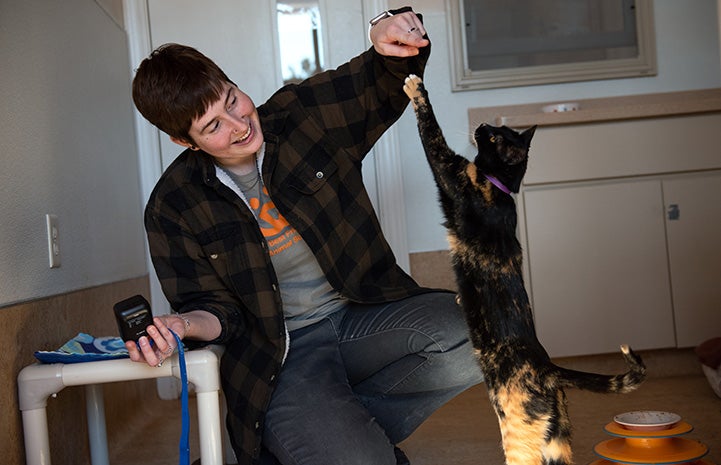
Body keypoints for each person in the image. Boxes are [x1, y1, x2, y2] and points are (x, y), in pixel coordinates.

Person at [127, 6, 483, 465]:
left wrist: (388, 29)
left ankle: (311, 439)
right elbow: (219, 313)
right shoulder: (172, 206)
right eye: (213, 125)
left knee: (487, 333)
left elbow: (379, 79)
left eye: (232, 99)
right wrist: (181, 325)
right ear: (185, 142)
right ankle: (335, 437)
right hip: (282, 353)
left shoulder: (299, 117)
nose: (239, 125)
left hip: (362, 316)